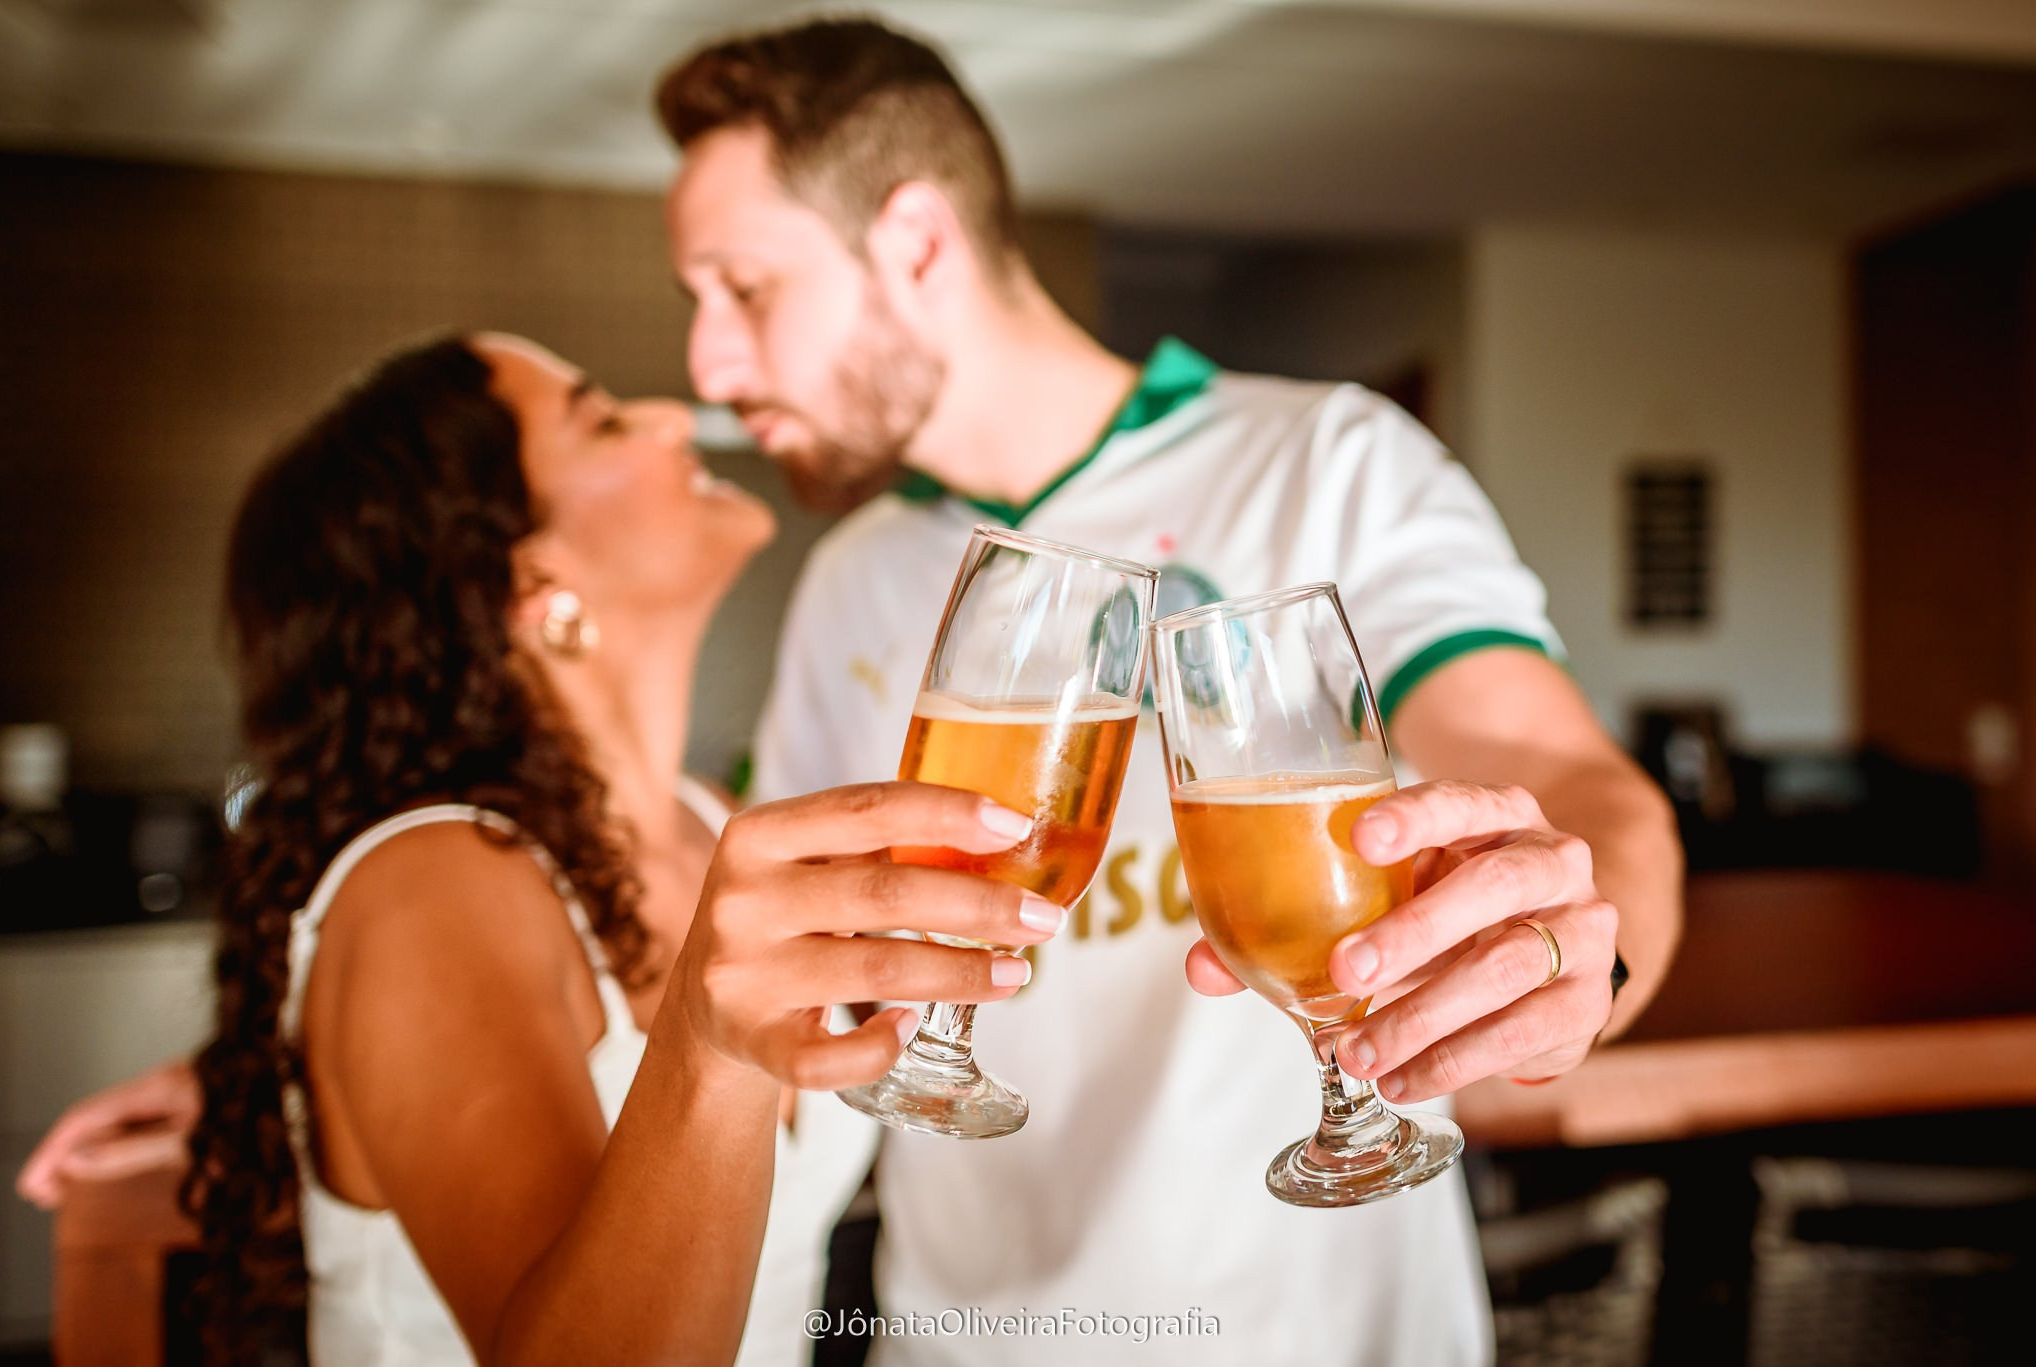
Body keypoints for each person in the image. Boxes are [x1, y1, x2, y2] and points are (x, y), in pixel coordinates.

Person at [657, 16, 1683, 1364]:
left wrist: (1575, 956)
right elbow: (816, 985)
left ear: (914, 242)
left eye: (744, 288)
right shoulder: (857, 572)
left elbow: (1571, 783)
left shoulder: (1326, 461)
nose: (710, 371)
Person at [26, 332, 1066, 1366]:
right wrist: (706, 1051)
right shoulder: (429, 887)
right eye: (605, 418)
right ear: (532, 581)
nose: (673, 413)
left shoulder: (705, 821)